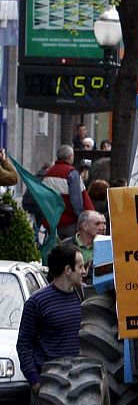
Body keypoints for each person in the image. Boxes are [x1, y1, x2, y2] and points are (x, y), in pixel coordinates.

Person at [18, 245, 86, 391]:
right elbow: (23, 345)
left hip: (82, 378)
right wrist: (34, 381)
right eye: (80, 267)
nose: (84, 271)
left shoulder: (85, 297)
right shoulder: (37, 302)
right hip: (49, 380)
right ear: (68, 270)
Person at [39, 144, 92, 237]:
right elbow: (76, 200)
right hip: (69, 222)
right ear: (71, 157)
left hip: (52, 220)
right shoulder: (72, 173)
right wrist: (80, 219)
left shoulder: (48, 173)